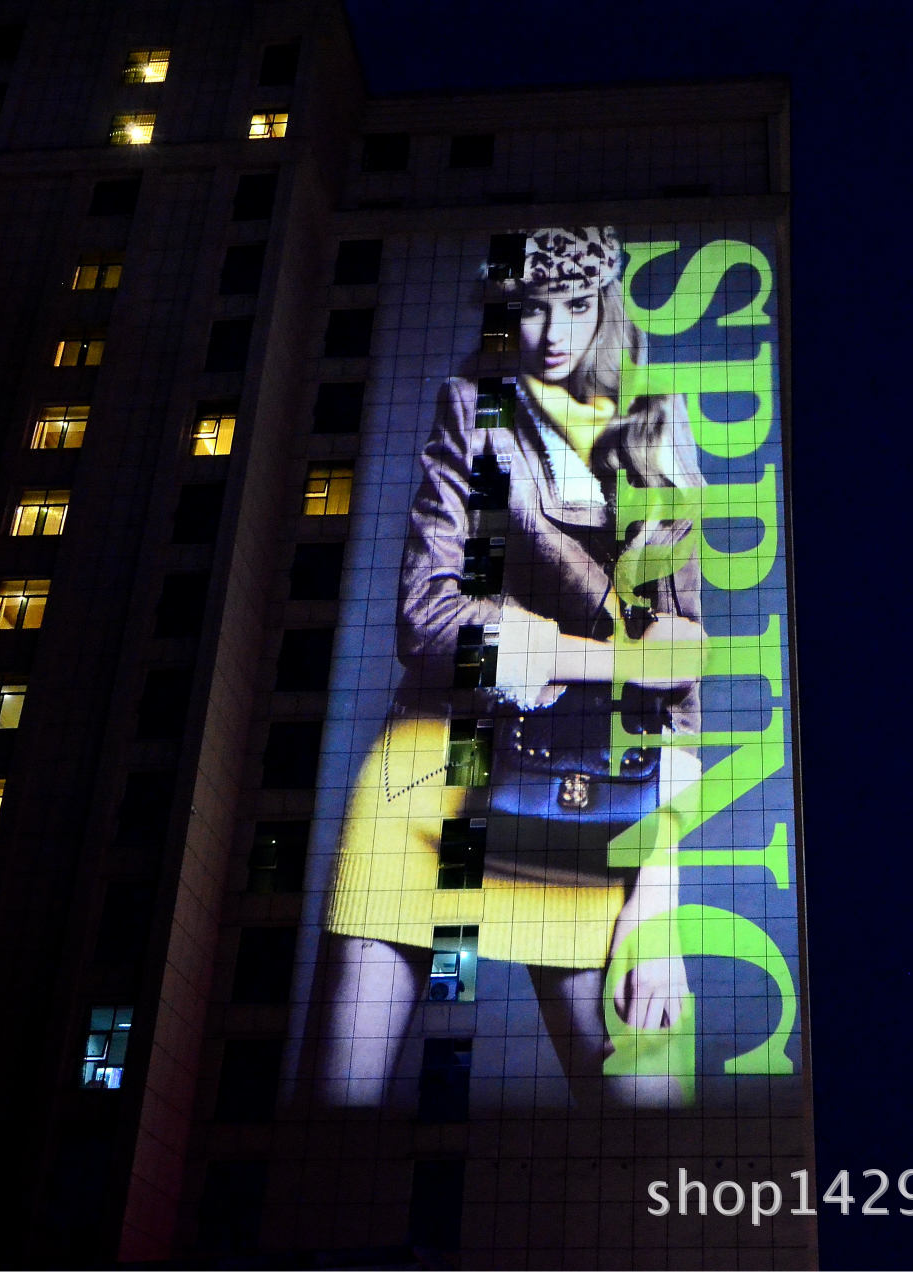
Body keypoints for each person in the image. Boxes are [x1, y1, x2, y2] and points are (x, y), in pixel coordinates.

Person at [315, 227, 706, 1108]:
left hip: (590, 788)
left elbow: (679, 691)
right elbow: (428, 619)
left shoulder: (655, 418)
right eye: (530, 310)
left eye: (576, 306)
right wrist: (613, 659)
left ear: (605, 305)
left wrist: (658, 900)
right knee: (331, 1120)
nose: (554, 333)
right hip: (436, 774)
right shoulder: (476, 406)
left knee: (651, 1121)